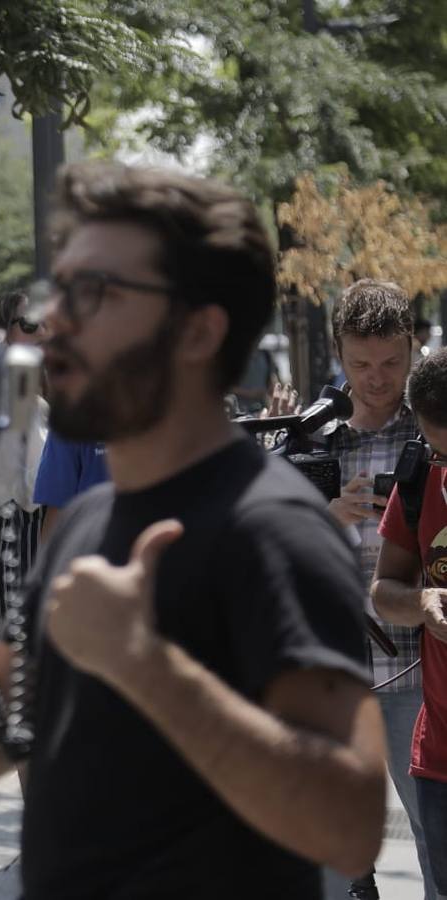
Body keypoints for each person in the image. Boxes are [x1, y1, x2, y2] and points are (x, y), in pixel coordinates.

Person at [0, 162, 386, 897]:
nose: (57, 324)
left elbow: (349, 827)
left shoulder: (273, 530)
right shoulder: (87, 521)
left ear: (198, 331)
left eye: (96, 295)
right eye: (61, 292)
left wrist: (144, 664)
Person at [323, 279, 429, 900]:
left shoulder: (433, 431)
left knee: (434, 837)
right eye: (361, 364)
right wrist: (325, 516)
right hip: (331, 671)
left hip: (417, 667)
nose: (377, 378)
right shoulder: (314, 439)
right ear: (338, 354)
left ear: (412, 348)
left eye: (391, 361)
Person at [374, 348, 447, 900]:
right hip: (439, 761)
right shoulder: (420, 479)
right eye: (440, 451)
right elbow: (384, 590)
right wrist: (421, 604)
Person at [0, 290, 48, 625]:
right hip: (23, 532)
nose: (43, 332)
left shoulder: (31, 388)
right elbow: (31, 490)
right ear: (3, 331)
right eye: (30, 324)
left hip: (33, 533)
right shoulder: (5, 388)